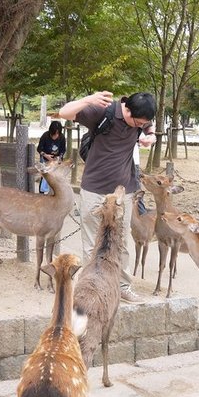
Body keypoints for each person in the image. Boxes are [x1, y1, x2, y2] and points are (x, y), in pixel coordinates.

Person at [58, 91, 157, 303]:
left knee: (120, 242)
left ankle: (122, 286)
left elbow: (148, 124)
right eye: (137, 122)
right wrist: (88, 99)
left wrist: (151, 134)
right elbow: (64, 112)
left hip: (124, 191)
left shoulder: (140, 120)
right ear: (127, 110)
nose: (138, 126)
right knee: (93, 243)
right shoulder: (103, 111)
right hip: (94, 189)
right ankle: (94, 288)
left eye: (143, 123)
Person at [36, 121, 66, 194]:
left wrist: (59, 157)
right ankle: (41, 193)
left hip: (56, 160)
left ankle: (54, 194)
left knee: (55, 177)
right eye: (54, 133)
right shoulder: (45, 136)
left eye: (57, 133)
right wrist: (46, 155)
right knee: (45, 176)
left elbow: (63, 150)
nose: (56, 135)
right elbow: (39, 149)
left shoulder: (62, 137)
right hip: (45, 158)